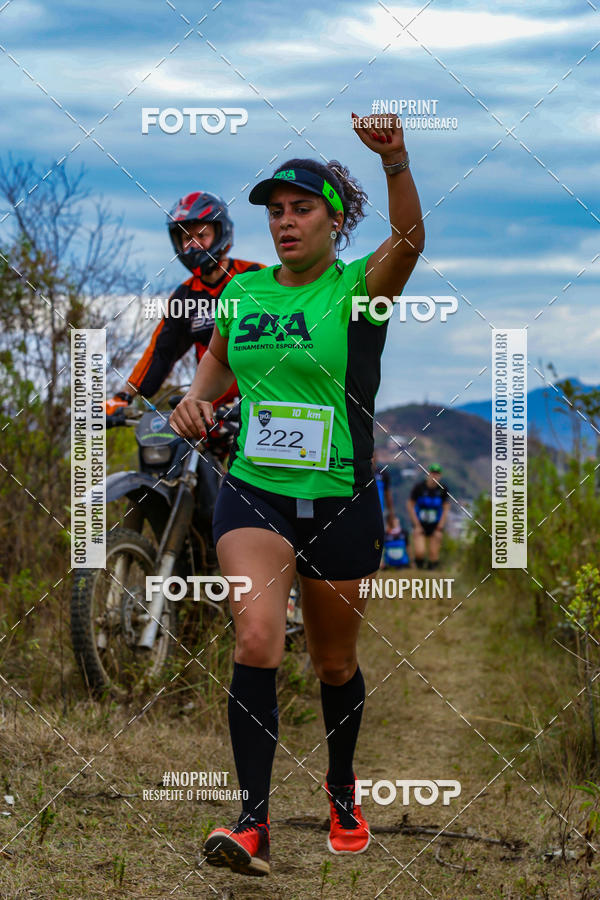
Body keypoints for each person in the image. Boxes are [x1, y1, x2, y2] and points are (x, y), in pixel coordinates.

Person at [170, 112, 425, 876]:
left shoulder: (358, 289)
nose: (285, 221)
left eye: (301, 208)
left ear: (334, 220)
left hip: (342, 499)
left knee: (333, 664)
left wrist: (396, 161)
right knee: (255, 639)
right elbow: (212, 379)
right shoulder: (243, 296)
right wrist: (195, 403)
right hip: (254, 495)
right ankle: (252, 824)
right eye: (275, 211)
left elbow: (409, 241)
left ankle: (341, 787)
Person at [106, 191, 263, 413]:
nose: (194, 245)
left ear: (221, 234)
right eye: (187, 238)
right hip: (210, 412)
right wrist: (123, 397)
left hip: (260, 404)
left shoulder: (255, 277)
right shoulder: (185, 296)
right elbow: (160, 351)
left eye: (201, 235)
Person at [406, 463, 449, 570]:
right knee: (420, 552)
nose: (435, 476)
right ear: (428, 474)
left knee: (433, 555)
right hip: (420, 524)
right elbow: (410, 505)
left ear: (440, 476)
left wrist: (440, 528)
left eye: (437, 474)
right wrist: (416, 525)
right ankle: (418, 570)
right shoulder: (419, 488)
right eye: (433, 473)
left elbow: (446, 509)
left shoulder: (443, 489)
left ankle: (431, 573)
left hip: (435, 525)